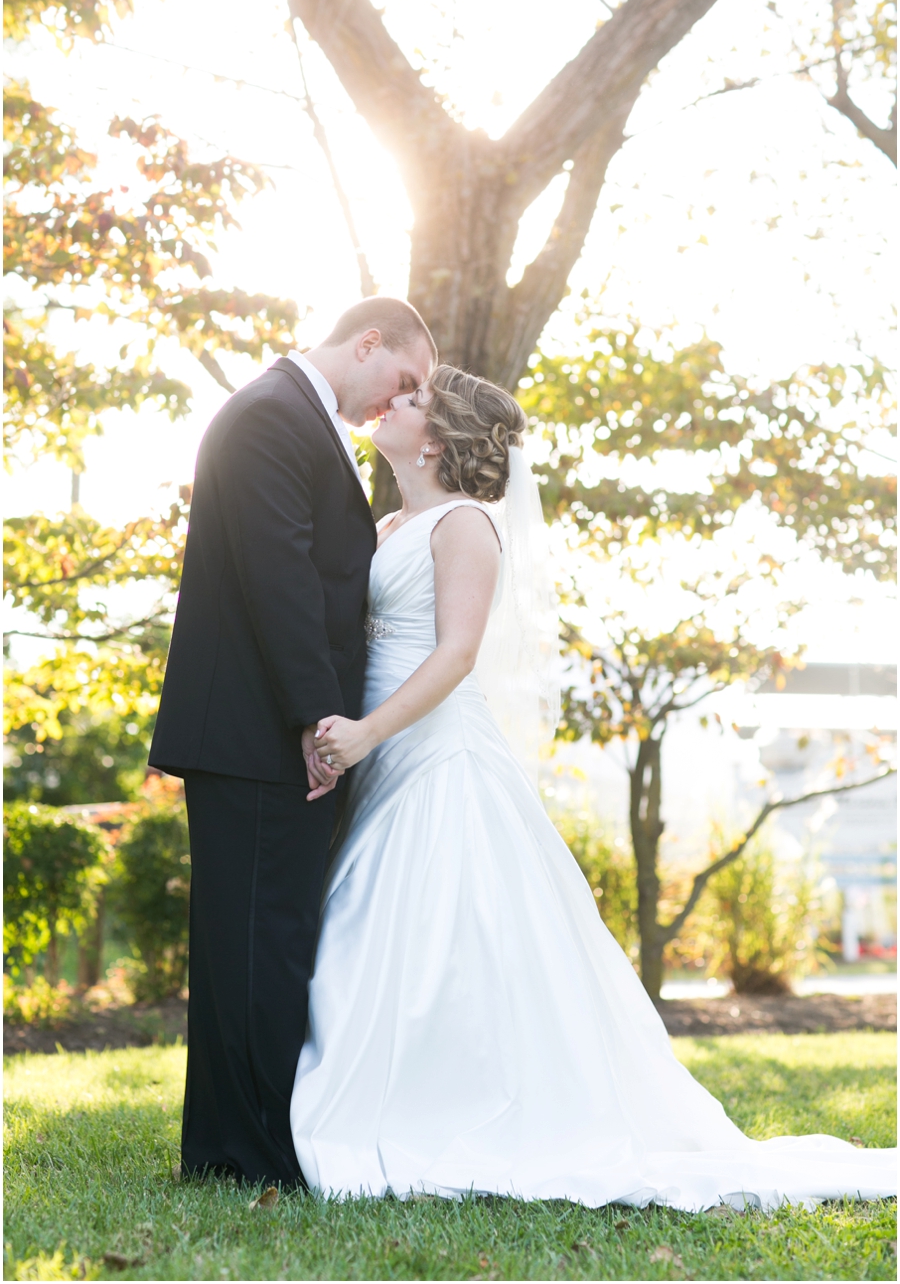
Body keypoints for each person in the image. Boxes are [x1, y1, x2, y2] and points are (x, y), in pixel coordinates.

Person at [290, 364, 896, 1212]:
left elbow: (456, 654)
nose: (393, 402)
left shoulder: (466, 524)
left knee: (436, 929)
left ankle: (440, 1105)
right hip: (384, 757)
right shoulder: (390, 520)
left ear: (435, 438)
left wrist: (363, 734)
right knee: (383, 927)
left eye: (415, 399)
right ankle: (389, 1090)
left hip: (439, 757)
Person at [148, 297, 436, 1186]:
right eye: (405, 379)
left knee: (259, 940)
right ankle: (245, 1155)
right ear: (368, 342)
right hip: (257, 731)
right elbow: (279, 582)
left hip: (257, 727)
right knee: (255, 943)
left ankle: (237, 1145)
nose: (401, 398)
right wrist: (319, 721)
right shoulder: (273, 416)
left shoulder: (291, 415)